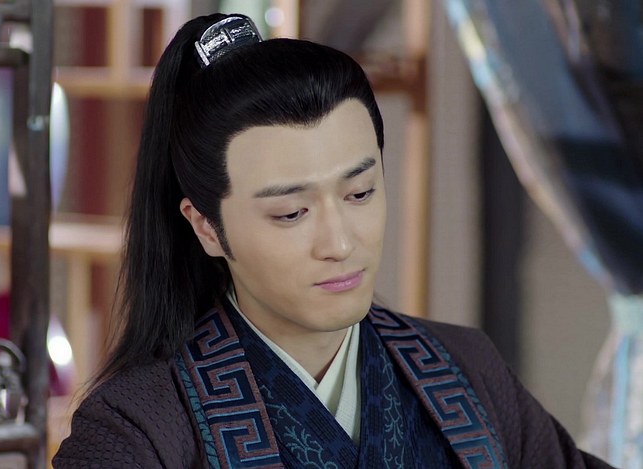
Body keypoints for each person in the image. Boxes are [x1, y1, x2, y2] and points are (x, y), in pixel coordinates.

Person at [53, 13, 612, 469]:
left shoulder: (466, 370)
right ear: (206, 226)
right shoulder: (137, 430)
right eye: (291, 212)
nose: (340, 243)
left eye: (360, 193)